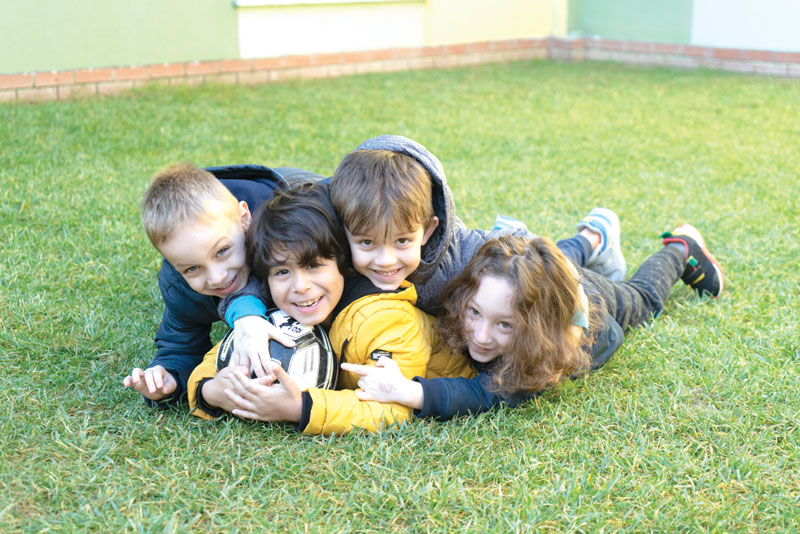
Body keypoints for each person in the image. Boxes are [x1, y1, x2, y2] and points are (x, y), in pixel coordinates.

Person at [342, 227, 724, 421]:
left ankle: (680, 249)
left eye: (505, 326)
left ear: (536, 330)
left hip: (593, 303)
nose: (481, 336)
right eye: (474, 312)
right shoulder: (487, 288)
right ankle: (592, 237)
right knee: (543, 261)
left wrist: (409, 392)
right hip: (543, 279)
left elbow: (485, 394)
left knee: (644, 299)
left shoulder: (545, 352)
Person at [186, 182, 474, 434]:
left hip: (464, 381)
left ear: (342, 262)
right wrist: (210, 390)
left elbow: (391, 409)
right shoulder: (282, 306)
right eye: (282, 272)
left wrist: (300, 408)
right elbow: (229, 350)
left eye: (313, 266)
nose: (300, 286)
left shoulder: (386, 318)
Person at [122, 163, 324, 406]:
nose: (217, 277)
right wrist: (170, 377)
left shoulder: (294, 223)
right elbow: (181, 346)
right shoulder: (178, 284)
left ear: (244, 219)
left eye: (222, 251)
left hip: (293, 185)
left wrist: (245, 312)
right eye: (192, 268)